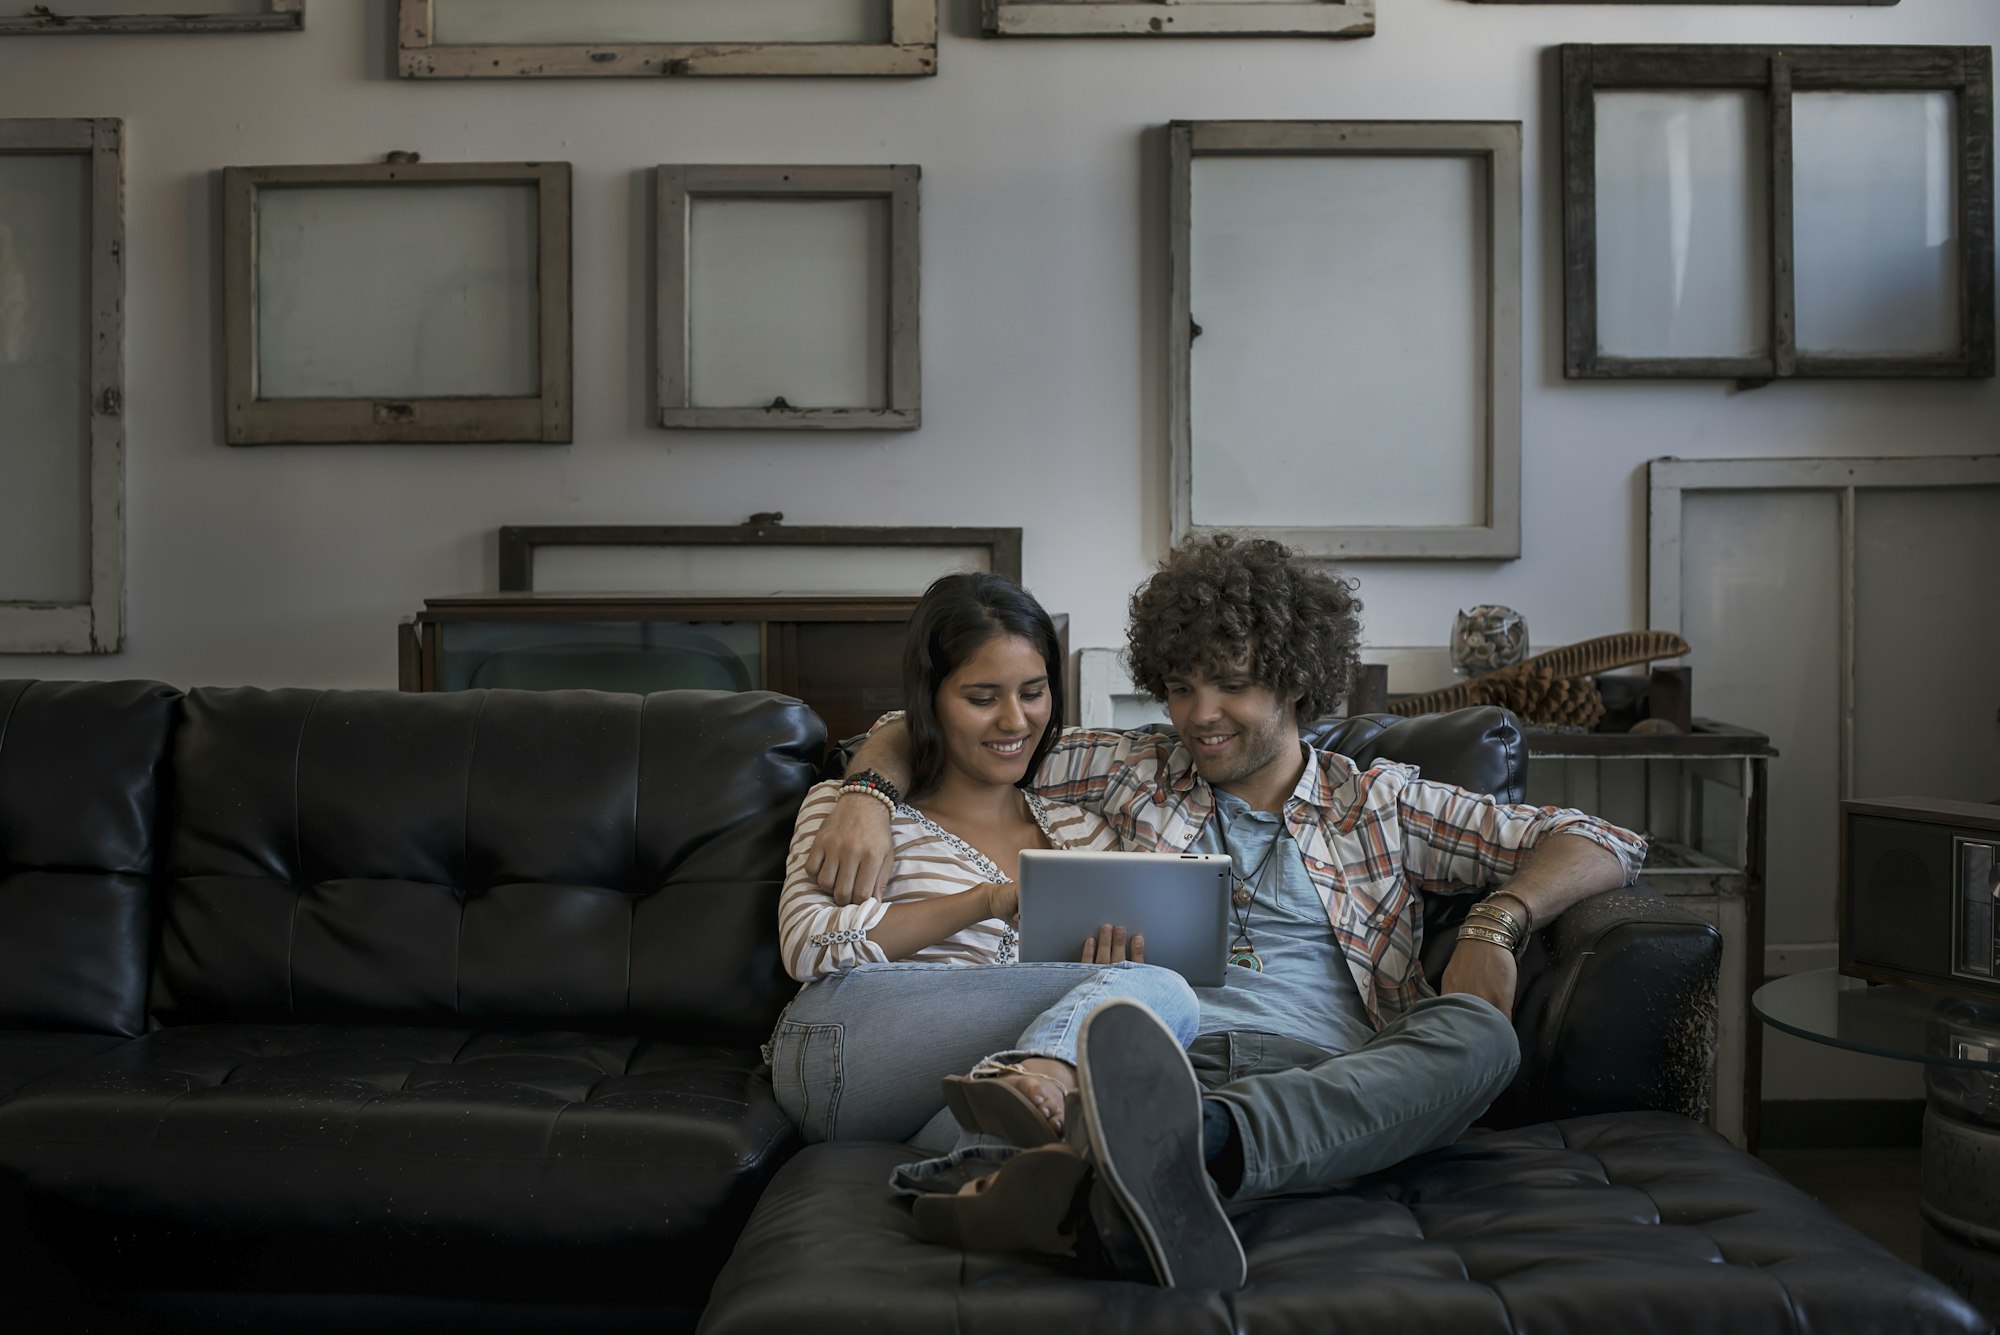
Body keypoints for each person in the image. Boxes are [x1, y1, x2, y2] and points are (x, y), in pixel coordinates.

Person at [810, 534, 1649, 1290]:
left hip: (1327, 1080)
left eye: (1233, 685)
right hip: (1149, 1061)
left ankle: (1165, 1153)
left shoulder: (1381, 801)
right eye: (1180, 687)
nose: (1199, 715)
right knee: (1078, 1070)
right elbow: (934, 722)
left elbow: (1602, 839)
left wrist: (1495, 922)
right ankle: (1125, 1165)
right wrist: (866, 793)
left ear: (1295, 678)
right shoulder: (1133, 767)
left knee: (1480, 1036)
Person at [766, 571, 1200, 1162]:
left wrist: (1101, 973)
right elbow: (807, 948)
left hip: (954, 1091)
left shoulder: (1082, 831)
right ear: (930, 699)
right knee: (1160, 992)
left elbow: (1081, 988)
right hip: (845, 1049)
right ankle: (1051, 1069)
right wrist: (987, 900)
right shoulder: (855, 811)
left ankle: (998, 1154)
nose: (1016, 722)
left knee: (1065, 1138)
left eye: (1033, 692)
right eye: (982, 698)